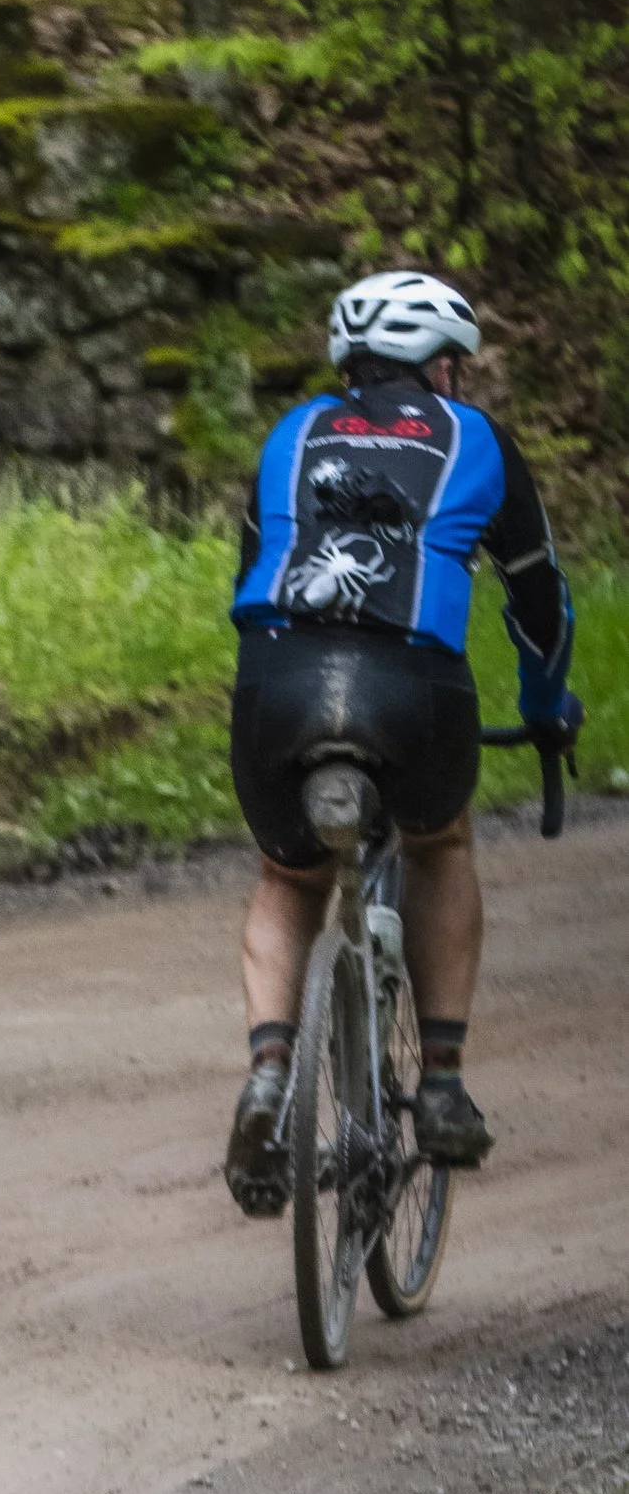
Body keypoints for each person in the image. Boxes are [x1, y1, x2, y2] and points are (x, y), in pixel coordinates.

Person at [222, 270, 581, 1213]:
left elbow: (256, 561)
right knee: (440, 841)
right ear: (446, 367)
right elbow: (541, 602)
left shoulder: (290, 433)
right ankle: (446, 1082)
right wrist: (546, 706)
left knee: (286, 876)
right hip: (411, 688)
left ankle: (267, 1070)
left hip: (278, 680)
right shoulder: (478, 439)